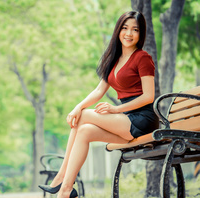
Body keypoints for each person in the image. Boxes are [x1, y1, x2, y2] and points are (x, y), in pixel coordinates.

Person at [39, 11, 159, 198]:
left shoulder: (142, 58)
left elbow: (149, 96)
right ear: (118, 30)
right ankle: (65, 190)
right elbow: (99, 91)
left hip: (142, 119)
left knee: (85, 115)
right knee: (84, 130)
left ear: (140, 33)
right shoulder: (114, 58)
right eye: (125, 28)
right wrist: (76, 107)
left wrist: (115, 109)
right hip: (126, 122)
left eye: (135, 29)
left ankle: (61, 176)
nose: (129, 33)